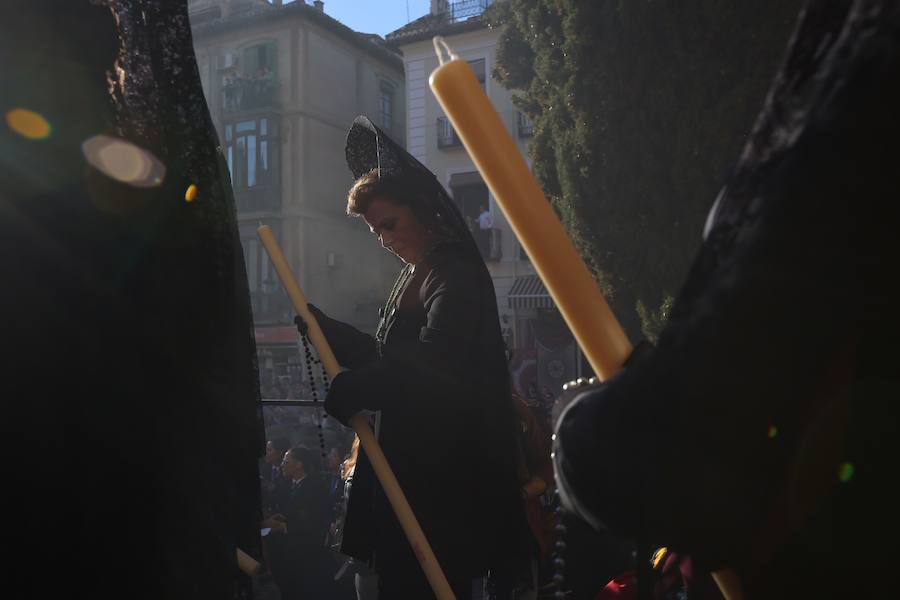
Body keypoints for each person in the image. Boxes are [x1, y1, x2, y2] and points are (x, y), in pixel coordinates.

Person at [304, 115, 528, 599]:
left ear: (422, 211)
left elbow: (435, 360)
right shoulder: (416, 275)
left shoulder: (455, 273)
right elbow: (386, 355)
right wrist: (329, 332)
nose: (386, 239)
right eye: (375, 232)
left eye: (390, 224)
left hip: (442, 484)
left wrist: (358, 388)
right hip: (409, 474)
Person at [262, 446, 335, 600]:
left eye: (286, 461)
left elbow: (316, 522)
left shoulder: (316, 488)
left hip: (305, 554)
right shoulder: (285, 484)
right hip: (284, 552)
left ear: (299, 464)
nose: (282, 464)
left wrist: (286, 526)